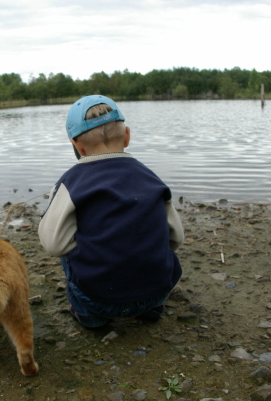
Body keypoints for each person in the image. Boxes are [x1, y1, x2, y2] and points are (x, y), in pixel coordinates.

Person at [38, 95, 184, 328]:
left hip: (100, 299)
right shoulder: (150, 177)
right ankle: (150, 307)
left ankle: (89, 316)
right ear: (127, 136)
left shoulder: (72, 181)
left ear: (76, 145)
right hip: (158, 290)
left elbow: (53, 245)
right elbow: (176, 237)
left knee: (66, 246)